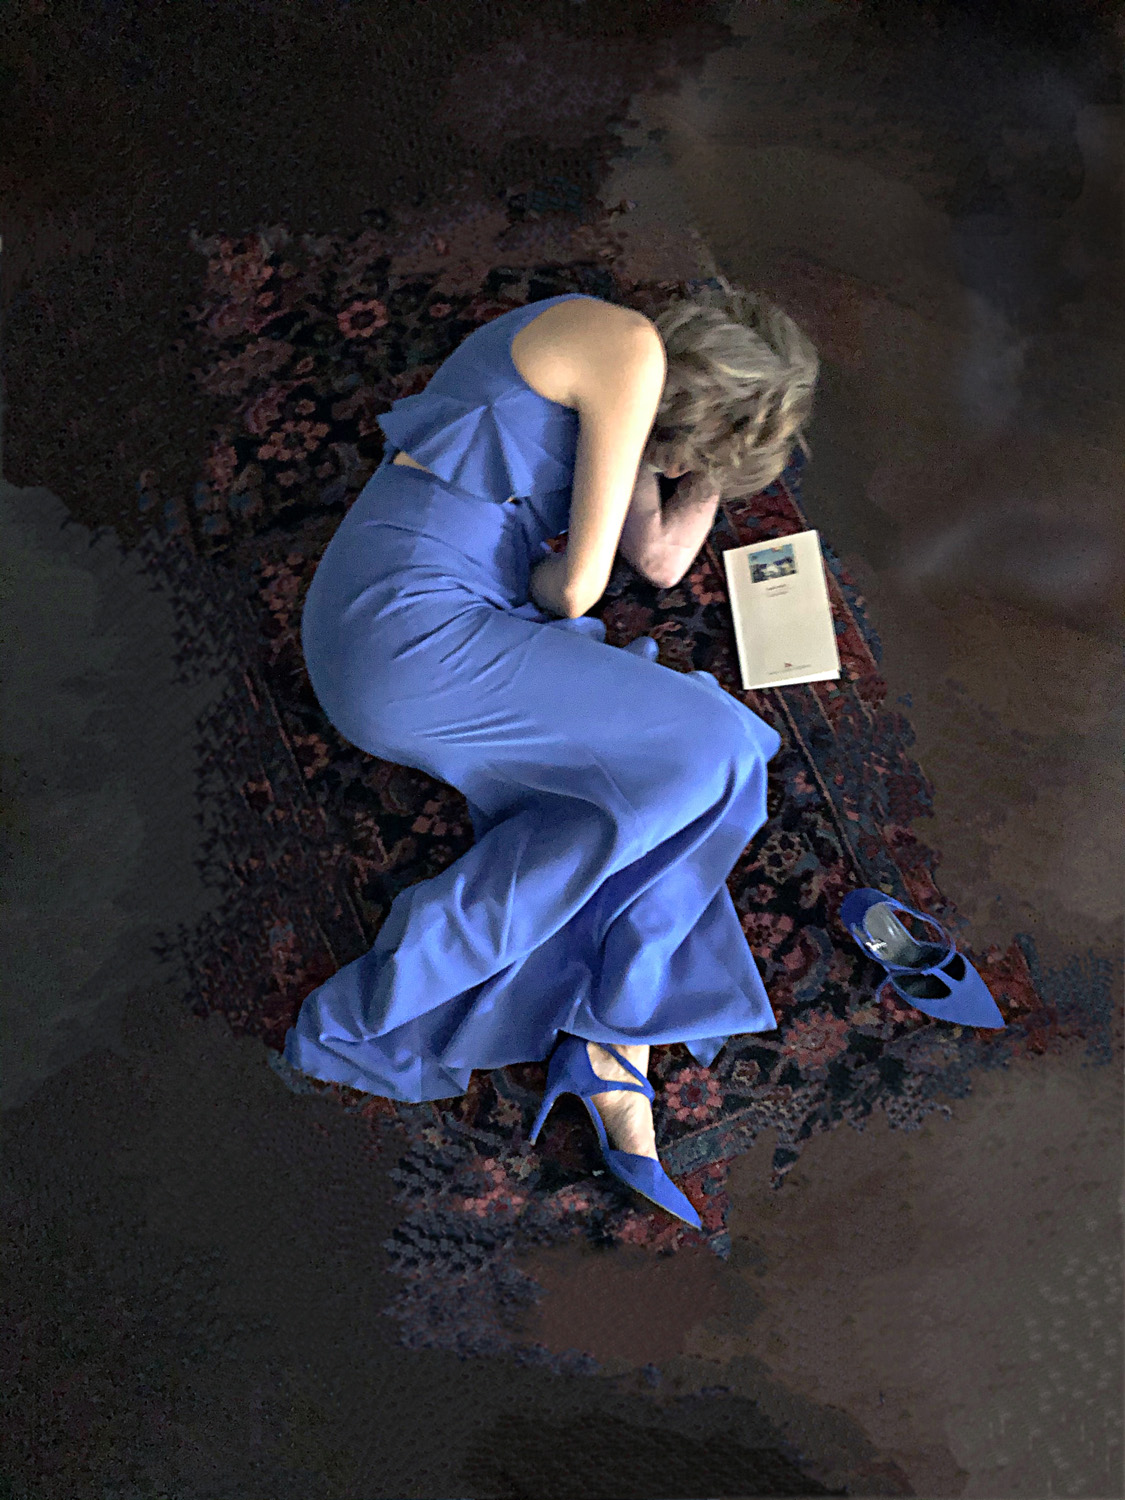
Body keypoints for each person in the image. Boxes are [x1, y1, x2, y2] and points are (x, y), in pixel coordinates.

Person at [283, 278, 818, 1220]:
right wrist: (545, 566)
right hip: (407, 639)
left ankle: (612, 1044)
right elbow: (572, 591)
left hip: (374, 631)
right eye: (691, 453)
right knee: (718, 751)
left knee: (671, 780)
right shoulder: (622, 346)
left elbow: (659, 561)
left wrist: (714, 466)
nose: (680, 468)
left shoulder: (616, 370)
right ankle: (569, 1005)